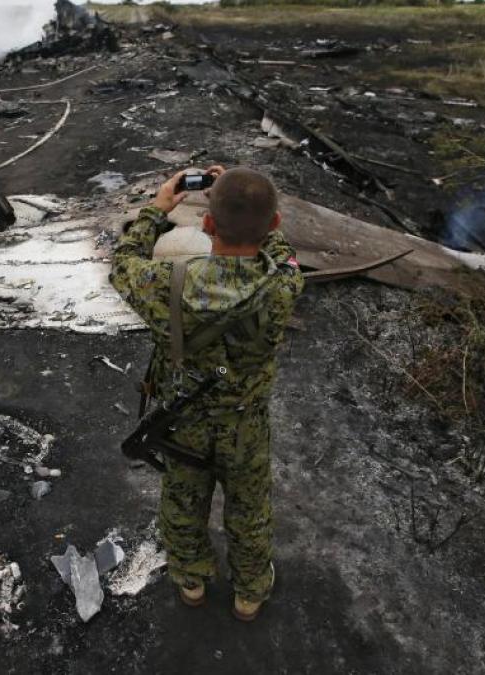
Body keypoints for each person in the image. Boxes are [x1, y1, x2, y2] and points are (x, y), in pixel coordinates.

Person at [109, 165, 304, 621]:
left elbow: (123, 262)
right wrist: (256, 212)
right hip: (246, 424)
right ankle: (249, 593)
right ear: (274, 223)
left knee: (182, 503)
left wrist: (157, 209)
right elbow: (284, 252)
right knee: (250, 510)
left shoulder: (167, 283)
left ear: (208, 224)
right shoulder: (284, 284)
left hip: (183, 423)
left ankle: (191, 582)